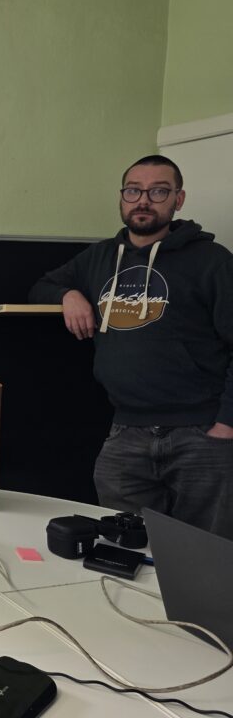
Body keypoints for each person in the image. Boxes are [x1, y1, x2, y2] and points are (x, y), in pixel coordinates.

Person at [30, 154, 233, 539]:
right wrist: (69, 294)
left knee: (205, 553)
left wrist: (227, 424)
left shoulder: (213, 262)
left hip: (201, 433)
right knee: (125, 546)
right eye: (133, 191)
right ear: (122, 198)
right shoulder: (100, 257)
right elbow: (42, 285)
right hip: (126, 433)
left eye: (158, 191)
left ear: (178, 199)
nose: (143, 200)